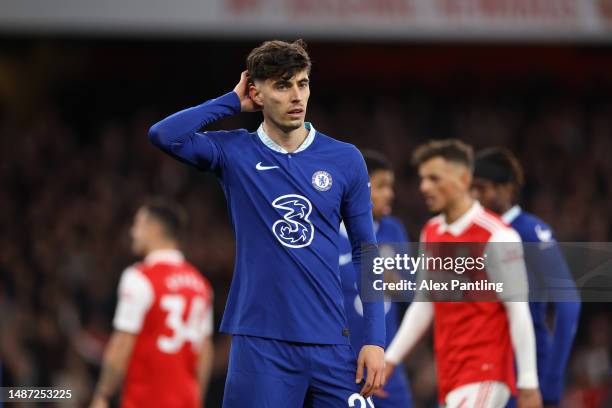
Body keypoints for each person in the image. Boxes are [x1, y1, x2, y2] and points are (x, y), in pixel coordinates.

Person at [148, 39, 385, 407]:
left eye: (302, 83)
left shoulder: (345, 159)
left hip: (332, 344)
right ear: (257, 94)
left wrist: (374, 338)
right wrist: (230, 101)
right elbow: (164, 135)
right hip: (260, 345)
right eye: (282, 85)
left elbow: (366, 252)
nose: (296, 96)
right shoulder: (234, 152)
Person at [384, 139, 542, 408]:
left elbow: (518, 310)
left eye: (434, 178)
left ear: (464, 178)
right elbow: (424, 303)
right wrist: (390, 360)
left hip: (485, 373)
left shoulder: (498, 236)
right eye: (422, 179)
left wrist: (528, 384)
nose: (424, 187)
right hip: (451, 376)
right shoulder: (432, 231)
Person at [472, 147, 581, 408]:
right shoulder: (473, 233)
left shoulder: (531, 231)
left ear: (506, 189)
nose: (476, 197)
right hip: (480, 370)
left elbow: (569, 304)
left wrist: (552, 381)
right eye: (471, 189)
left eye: (482, 188)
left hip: (526, 372)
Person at [90, 199, 214, 408]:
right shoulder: (200, 284)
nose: (132, 232)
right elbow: (205, 350)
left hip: (145, 400)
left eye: (137, 225)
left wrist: (102, 394)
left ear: (154, 229)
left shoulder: (140, 277)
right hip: (187, 401)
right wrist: (196, 398)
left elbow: (122, 342)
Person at [338, 150, 414, 407]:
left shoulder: (394, 230)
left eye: (390, 186)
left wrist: (396, 283)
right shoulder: (328, 234)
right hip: (342, 365)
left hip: (386, 362)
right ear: (360, 186)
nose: (390, 194)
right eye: (381, 186)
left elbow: (415, 293)